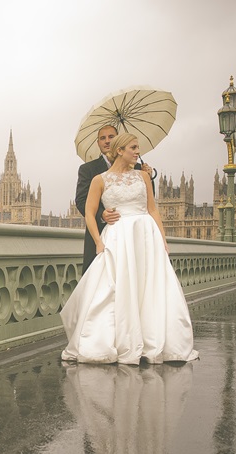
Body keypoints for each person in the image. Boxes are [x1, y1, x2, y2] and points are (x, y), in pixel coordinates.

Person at [61, 133, 198, 365]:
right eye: (133, 147)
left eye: (137, 147)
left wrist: (163, 239)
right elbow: (89, 212)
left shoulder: (144, 176)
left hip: (146, 236)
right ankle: (116, 340)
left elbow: (153, 209)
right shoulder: (99, 179)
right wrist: (98, 242)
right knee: (117, 288)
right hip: (117, 237)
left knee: (149, 287)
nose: (137, 151)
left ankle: (150, 340)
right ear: (119, 150)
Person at [75, 125, 154, 273]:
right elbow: (81, 201)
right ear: (98, 143)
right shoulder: (87, 169)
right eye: (102, 138)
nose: (107, 141)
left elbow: (147, 201)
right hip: (102, 233)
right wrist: (101, 214)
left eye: (111, 137)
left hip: (135, 234)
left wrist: (149, 177)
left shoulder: (138, 168)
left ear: (118, 140)